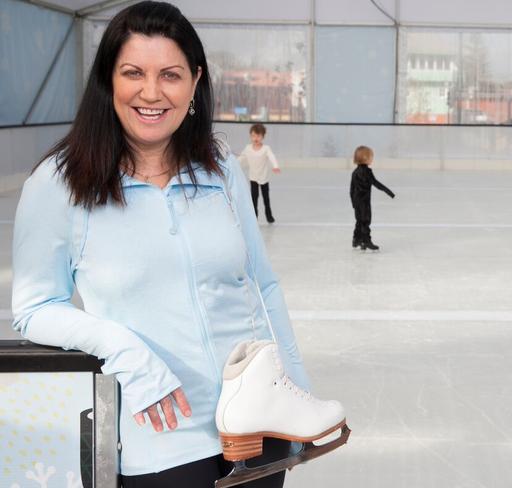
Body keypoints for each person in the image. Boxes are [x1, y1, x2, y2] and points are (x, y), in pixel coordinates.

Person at [11, 2, 309, 487]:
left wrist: (296, 390)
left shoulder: (218, 164)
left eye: (170, 75)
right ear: (110, 81)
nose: (151, 93)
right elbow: (35, 306)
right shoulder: (59, 183)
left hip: (256, 427)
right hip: (159, 438)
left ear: (195, 82)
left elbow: (262, 284)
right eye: (133, 73)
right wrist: (123, 348)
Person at [349, 145, 395, 251]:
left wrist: (353, 202)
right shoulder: (367, 172)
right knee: (365, 221)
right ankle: (366, 240)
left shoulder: (355, 172)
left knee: (359, 220)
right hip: (364, 202)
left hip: (357, 201)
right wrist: (388, 192)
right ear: (365, 158)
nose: (372, 159)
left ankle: (356, 239)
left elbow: (351, 189)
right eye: (371, 157)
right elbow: (376, 184)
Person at [238, 124, 280, 223]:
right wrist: (234, 164)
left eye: (258, 136)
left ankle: (269, 216)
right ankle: (254, 218)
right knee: (254, 199)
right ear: (250, 136)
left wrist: (275, 166)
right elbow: (241, 158)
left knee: (266, 199)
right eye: (253, 136)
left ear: (263, 136)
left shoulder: (266, 148)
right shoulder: (248, 148)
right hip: (253, 178)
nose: (255, 138)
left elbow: (272, 157)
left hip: (264, 178)